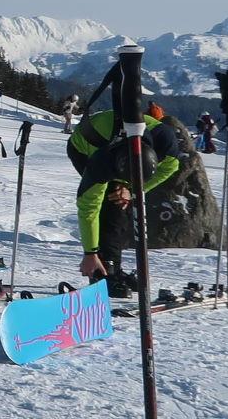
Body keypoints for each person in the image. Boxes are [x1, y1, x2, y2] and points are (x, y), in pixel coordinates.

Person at [68, 104, 182, 291]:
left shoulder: (165, 142)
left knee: (121, 202)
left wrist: (132, 190)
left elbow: (171, 167)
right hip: (83, 146)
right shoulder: (100, 164)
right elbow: (89, 209)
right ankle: (104, 272)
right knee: (111, 205)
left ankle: (112, 267)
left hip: (119, 142)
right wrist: (90, 253)